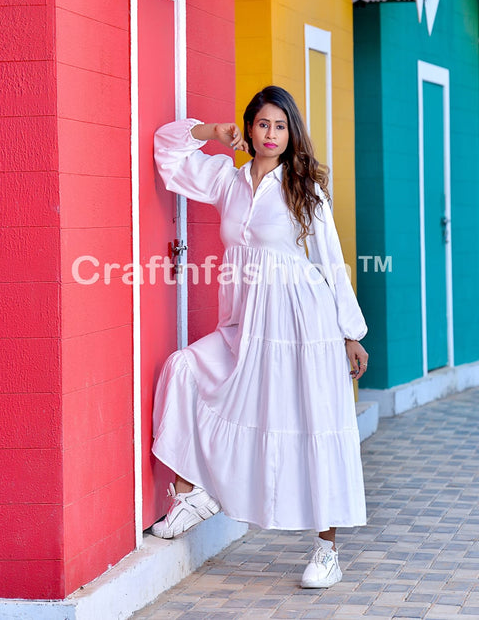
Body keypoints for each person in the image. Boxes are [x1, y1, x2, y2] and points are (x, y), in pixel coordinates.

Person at [150, 85, 369, 589]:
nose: (271, 134)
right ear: (249, 128)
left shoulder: (303, 187)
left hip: (303, 324)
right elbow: (167, 150)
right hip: (246, 325)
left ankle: (327, 549)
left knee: (314, 421)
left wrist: (350, 334)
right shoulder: (227, 182)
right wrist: (212, 133)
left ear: (291, 135)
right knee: (185, 368)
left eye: (281, 126)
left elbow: (330, 263)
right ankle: (193, 492)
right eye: (262, 124)